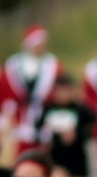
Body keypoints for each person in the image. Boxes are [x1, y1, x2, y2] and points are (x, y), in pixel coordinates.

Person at [36, 74, 97, 177]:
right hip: (57, 161)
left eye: (66, 90)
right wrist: (48, 138)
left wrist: (77, 135)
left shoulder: (81, 110)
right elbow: (38, 130)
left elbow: (92, 128)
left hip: (77, 162)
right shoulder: (48, 110)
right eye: (60, 90)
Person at [4, 25, 62, 154]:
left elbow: (59, 89)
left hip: (45, 112)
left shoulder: (52, 63)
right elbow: (8, 92)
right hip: (21, 114)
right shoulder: (14, 64)